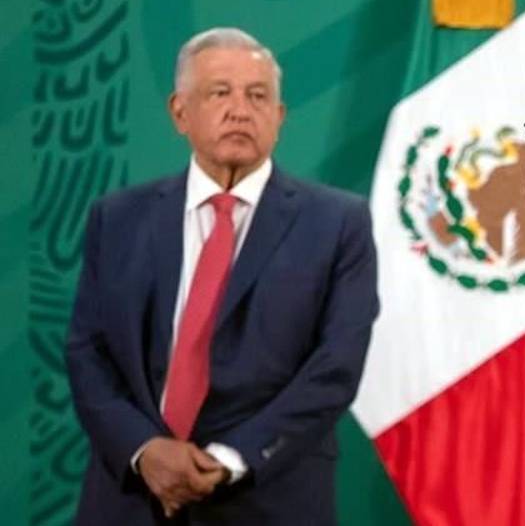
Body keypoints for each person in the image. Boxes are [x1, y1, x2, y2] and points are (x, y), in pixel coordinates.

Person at [66, 27, 379, 524]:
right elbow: (88, 352)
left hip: (267, 497)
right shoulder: (118, 218)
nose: (240, 110)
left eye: (258, 96)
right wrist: (145, 450)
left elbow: (336, 366)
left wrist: (230, 460)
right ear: (179, 112)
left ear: (279, 117)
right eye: (219, 93)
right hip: (131, 500)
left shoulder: (338, 224)